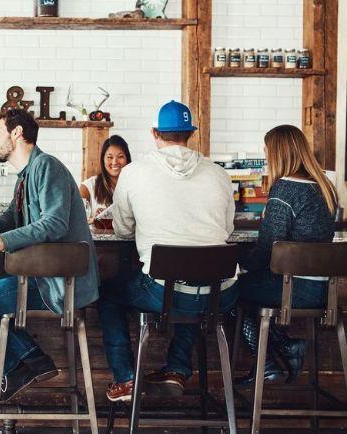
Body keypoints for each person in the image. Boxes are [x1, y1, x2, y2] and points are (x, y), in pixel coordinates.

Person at [0, 108, 100, 403]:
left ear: (16, 133)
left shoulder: (47, 167)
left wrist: (0, 241)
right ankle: (33, 360)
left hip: (59, 283)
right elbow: (16, 217)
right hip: (41, 277)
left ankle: (14, 370)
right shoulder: (26, 175)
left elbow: (54, 223)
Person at [98, 100, 238, 402]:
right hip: (221, 292)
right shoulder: (218, 173)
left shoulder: (133, 173)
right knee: (196, 285)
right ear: (190, 133)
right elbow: (226, 231)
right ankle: (176, 369)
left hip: (163, 291)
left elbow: (123, 230)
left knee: (109, 295)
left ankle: (125, 378)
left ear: (154, 133)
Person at [233, 125, 337, 386]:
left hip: (295, 289)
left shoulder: (285, 190)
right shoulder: (324, 188)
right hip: (327, 291)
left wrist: (239, 264)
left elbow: (268, 250)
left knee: (227, 293)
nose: (266, 156)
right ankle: (288, 347)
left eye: (267, 151)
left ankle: (268, 364)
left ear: (277, 154)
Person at [79, 135, 132, 224]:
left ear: (127, 159)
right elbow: (75, 220)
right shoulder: (88, 187)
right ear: (103, 160)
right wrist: (95, 219)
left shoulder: (136, 185)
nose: (115, 162)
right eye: (109, 157)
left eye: (120, 156)